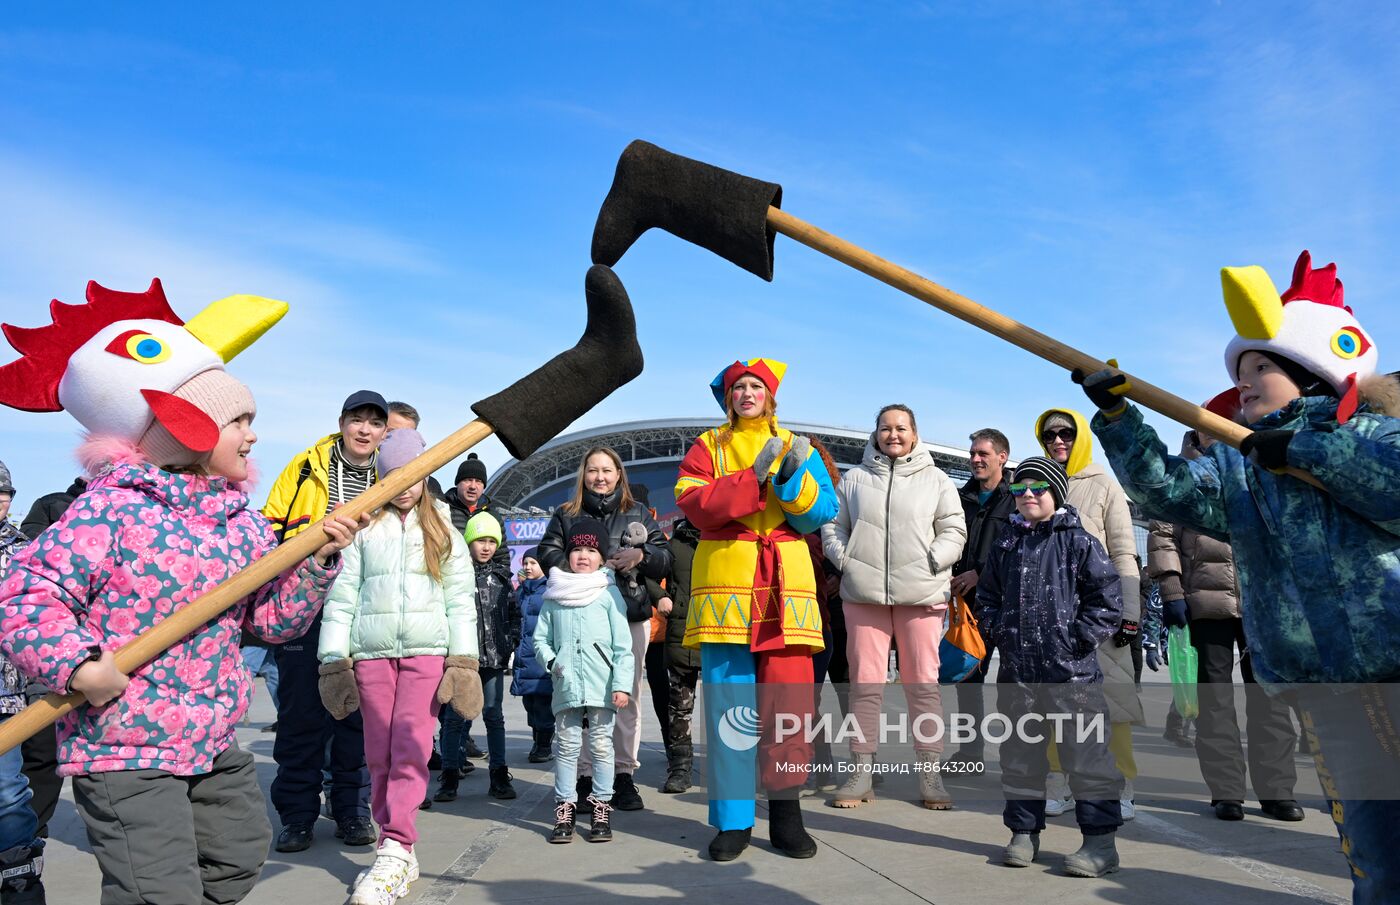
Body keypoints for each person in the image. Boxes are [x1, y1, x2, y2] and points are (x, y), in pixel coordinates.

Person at [0, 279, 363, 905]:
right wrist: (78, 665)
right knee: (157, 892)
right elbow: (25, 597)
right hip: (123, 744)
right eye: (239, 422)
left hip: (212, 736)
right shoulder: (110, 511)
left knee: (238, 855)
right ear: (185, 428)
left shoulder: (243, 522)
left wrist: (315, 563)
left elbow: (272, 624)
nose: (252, 437)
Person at [1079, 251, 1400, 902]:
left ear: (1310, 374)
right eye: (1240, 369)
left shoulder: (1375, 431)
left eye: (1262, 366)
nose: (1244, 381)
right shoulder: (1238, 466)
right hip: (1325, 690)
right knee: (1376, 854)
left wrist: (1309, 450)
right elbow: (1166, 490)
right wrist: (1120, 421)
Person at [675, 358, 838, 862]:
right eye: (738, 387)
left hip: (786, 583)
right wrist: (754, 476)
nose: (746, 393)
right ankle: (733, 822)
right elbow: (693, 504)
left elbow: (822, 512)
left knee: (788, 708)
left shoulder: (798, 445)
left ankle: (787, 817)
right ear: (728, 398)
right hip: (726, 583)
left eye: (755, 386)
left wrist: (790, 480)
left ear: (770, 396)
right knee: (731, 708)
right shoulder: (709, 445)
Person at [315, 428, 481, 905]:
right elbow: (342, 597)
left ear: (426, 475)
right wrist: (333, 661)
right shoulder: (364, 528)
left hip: (427, 653)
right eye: (393, 475)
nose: (404, 485)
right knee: (378, 751)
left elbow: (460, 602)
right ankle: (396, 846)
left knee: (410, 743)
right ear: (381, 477)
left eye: (413, 475)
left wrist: (463, 662)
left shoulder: (444, 529)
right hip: (370, 653)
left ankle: (395, 845)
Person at [977, 457, 1125, 877]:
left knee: (1087, 757)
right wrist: (999, 632)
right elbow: (987, 597)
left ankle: (1100, 844)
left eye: (1038, 486)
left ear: (1055, 493)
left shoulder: (1079, 542)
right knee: (1020, 755)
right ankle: (1023, 832)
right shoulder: (1006, 544)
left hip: (1072, 675)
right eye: (1020, 487)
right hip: (1019, 674)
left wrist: (1077, 638)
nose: (1027, 494)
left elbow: (1107, 598)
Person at [1146, 427, 1300, 822]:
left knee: (1271, 699)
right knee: (1214, 701)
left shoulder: (1259, 473)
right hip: (1203, 603)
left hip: (1260, 604)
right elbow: (1163, 538)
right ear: (1198, 437)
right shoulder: (1181, 478)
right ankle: (1226, 791)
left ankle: (1277, 790)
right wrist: (1172, 592)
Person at [821, 404, 966, 810]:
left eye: (901, 428)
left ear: (915, 433)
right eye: (885, 428)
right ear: (876, 433)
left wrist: (934, 561)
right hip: (865, 596)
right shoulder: (854, 479)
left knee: (923, 686)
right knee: (865, 686)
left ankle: (930, 776)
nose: (893, 435)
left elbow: (954, 528)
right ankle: (861, 770)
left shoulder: (937, 480)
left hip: (921, 596)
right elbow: (833, 525)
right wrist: (845, 559)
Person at [264, 389, 389, 853]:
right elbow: (268, 531)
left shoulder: (394, 475)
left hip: (364, 611)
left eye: (375, 423)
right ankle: (297, 816)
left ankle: (353, 811)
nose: (364, 430)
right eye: (357, 419)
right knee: (301, 716)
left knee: (356, 717)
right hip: (305, 605)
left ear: (384, 433)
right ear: (341, 422)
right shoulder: (303, 468)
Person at [537, 447, 671, 811]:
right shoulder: (566, 515)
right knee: (579, 697)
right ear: (583, 475)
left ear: (618, 475)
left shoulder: (638, 512)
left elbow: (665, 556)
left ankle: (623, 774)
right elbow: (547, 552)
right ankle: (583, 777)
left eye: (607, 470)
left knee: (624, 696)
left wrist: (640, 556)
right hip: (579, 618)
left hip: (629, 613)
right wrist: (589, 570)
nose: (600, 477)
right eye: (593, 470)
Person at [1034, 406, 1144, 820]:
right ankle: (1059, 784)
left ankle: (1122, 787)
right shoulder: (1036, 483)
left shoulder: (1104, 485)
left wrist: (1129, 612)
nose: (1058, 440)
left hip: (1099, 613)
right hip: (1051, 617)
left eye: (1065, 433)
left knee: (1113, 705)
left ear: (1080, 436)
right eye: (1049, 435)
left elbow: (1123, 550)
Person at [535, 519, 635, 844]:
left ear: (602, 557)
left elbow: (623, 645)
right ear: (567, 554)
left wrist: (621, 684)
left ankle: (601, 806)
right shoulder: (555, 594)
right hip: (566, 684)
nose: (583, 555)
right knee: (566, 748)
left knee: (602, 746)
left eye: (591, 550)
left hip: (602, 685)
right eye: (577, 548)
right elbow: (540, 640)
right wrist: (553, 662)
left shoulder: (608, 594)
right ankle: (564, 807)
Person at [16, 475, 87, 854]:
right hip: (43, 651)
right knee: (31, 751)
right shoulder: (54, 504)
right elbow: (36, 559)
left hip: (93, 649)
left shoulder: (131, 507)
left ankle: (32, 829)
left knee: (56, 750)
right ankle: (23, 830)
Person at [951, 429, 1016, 762]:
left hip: (1008, 606)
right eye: (972, 453)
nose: (975, 459)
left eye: (983, 454)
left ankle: (1016, 754)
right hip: (970, 609)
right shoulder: (961, 498)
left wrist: (981, 574)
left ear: (1002, 457)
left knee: (1013, 684)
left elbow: (1020, 552)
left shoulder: (1018, 499)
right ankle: (969, 753)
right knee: (968, 681)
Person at [448, 511, 519, 801]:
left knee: (493, 715)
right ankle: (449, 775)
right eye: (480, 540)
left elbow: (515, 615)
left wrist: (509, 643)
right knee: (456, 718)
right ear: (469, 543)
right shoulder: (455, 576)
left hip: (493, 659)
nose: (486, 546)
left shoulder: (503, 578)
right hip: (463, 660)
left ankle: (499, 774)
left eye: (492, 540)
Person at [0, 462, 45, 903]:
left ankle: (18, 879)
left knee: (9, 791)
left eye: (5, 492)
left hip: (7, 691)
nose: (0, 499)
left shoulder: (24, 550)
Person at [656, 518, 702, 794]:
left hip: (722, 630)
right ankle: (680, 767)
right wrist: (659, 595)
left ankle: (726, 766)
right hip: (681, 630)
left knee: (727, 706)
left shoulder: (728, 534)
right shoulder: (673, 544)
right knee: (679, 706)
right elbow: (648, 574)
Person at [510, 548, 556, 764]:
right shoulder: (521, 591)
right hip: (524, 657)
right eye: (526, 563)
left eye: (533, 563)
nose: (528, 567)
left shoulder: (550, 590)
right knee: (530, 704)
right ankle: (537, 740)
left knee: (543, 704)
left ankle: (544, 744)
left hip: (540, 658)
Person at [385, 402, 442, 497]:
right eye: (392, 432)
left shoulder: (429, 486)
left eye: (407, 435)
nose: (399, 440)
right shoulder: (362, 474)